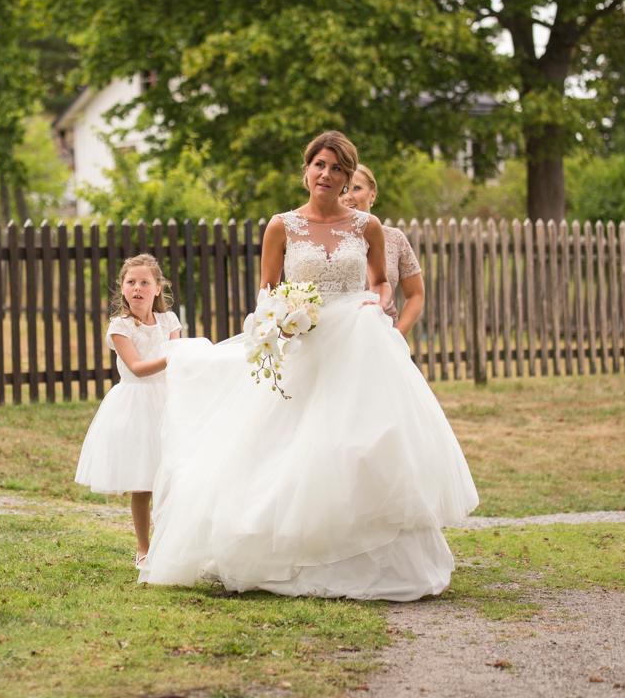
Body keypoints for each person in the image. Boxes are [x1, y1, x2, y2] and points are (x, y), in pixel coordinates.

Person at [140, 131, 478, 601]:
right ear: (307, 170)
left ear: (347, 178)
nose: (327, 174)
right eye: (320, 164)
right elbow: (267, 288)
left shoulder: (368, 227)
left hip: (356, 346)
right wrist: (277, 319)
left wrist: (375, 305)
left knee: (359, 443)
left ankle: (372, 557)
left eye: (338, 169)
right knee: (286, 447)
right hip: (302, 345)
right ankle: (283, 554)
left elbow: (383, 284)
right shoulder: (281, 226)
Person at [75, 253, 182, 567]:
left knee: (173, 475)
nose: (137, 288)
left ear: (158, 288)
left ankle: (170, 542)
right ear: (122, 289)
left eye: (145, 282)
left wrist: (185, 357)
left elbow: (180, 356)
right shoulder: (120, 326)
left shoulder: (170, 321)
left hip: (171, 402)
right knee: (144, 480)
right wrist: (175, 358)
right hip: (137, 404)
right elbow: (136, 367)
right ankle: (143, 547)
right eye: (131, 282)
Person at [342, 164, 425, 337]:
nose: (348, 196)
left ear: (372, 193)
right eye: (342, 190)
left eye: (356, 188)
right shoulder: (323, 239)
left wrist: (397, 335)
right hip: (339, 337)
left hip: (383, 336)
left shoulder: (394, 238)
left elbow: (416, 294)